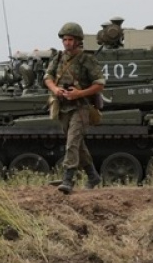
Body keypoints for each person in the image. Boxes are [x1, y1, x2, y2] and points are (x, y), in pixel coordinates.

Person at [43, 22, 106, 194]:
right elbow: (47, 77)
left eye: (70, 39)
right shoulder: (58, 58)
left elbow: (100, 84)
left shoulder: (87, 60)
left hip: (81, 107)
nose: (67, 43)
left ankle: (68, 180)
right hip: (63, 107)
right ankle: (93, 176)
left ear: (78, 41)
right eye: (65, 39)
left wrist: (79, 93)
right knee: (78, 145)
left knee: (72, 142)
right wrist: (56, 89)